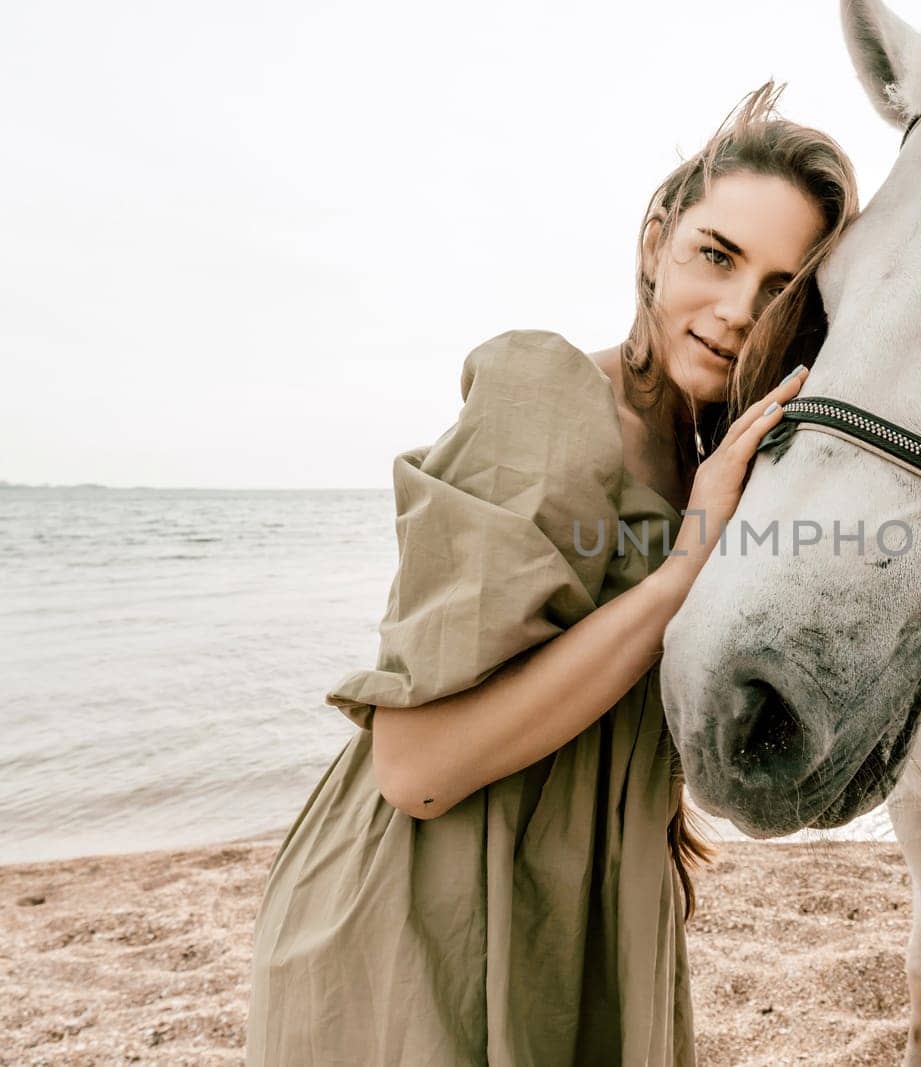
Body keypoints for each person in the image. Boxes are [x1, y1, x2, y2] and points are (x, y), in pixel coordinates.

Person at [245, 82, 858, 1066]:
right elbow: (417, 768)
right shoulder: (554, 400)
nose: (741, 309)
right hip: (425, 921)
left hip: (594, 919)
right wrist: (683, 567)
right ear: (656, 239)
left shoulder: (720, 461)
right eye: (717, 254)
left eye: (782, 287)